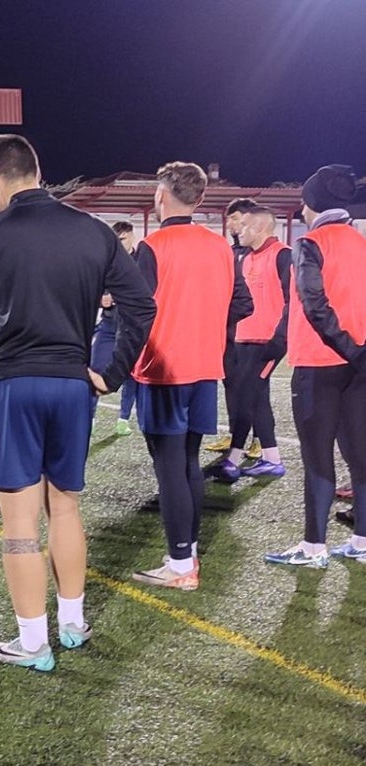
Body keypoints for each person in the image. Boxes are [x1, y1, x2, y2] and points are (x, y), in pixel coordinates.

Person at [0, 135, 155, 671]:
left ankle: (32, 643)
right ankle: (72, 622)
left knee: (20, 524)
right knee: (65, 506)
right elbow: (141, 305)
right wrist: (112, 374)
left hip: (12, 384)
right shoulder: (93, 231)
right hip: (73, 384)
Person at [129, 162, 251, 590]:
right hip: (204, 367)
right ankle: (188, 553)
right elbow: (243, 303)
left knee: (169, 467)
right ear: (199, 199)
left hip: (162, 368)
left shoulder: (154, 245)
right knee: (188, 463)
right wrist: (205, 323)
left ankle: (180, 564)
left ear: (161, 195)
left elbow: (137, 312)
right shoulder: (219, 246)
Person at [264, 165, 366, 568]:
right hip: (359, 365)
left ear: (310, 203)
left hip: (320, 362)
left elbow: (313, 304)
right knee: (360, 455)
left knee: (317, 457)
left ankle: (313, 547)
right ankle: (361, 540)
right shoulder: (360, 242)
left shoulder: (311, 243)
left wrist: (347, 347)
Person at [207, 205, 291, 481]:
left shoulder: (283, 255)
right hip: (242, 338)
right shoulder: (246, 258)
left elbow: (294, 302)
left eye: (244, 225)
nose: (238, 230)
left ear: (259, 228)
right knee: (255, 399)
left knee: (247, 395)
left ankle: (232, 459)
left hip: (266, 342)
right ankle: (271, 458)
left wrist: (280, 339)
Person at [206, 198, 262, 456]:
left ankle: (260, 439)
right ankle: (234, 436)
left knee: (255, 388)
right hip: (230, 334)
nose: (231, 223)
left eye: (236, 218)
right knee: (230, 385)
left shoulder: (266, 253)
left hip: (257, 336)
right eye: (229, 218)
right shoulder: (229, 253)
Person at [89, 221, 141, 435]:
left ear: (131, 237)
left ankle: (123, 419)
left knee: (131, 376)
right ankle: (89, 417)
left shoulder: (143, 261)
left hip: (131, 327)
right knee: (93, 369)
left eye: (122, 239)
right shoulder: (106, 261)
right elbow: (92, 289)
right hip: (109, 325)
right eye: (116, 240)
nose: (119, 244)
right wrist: (101, 299)